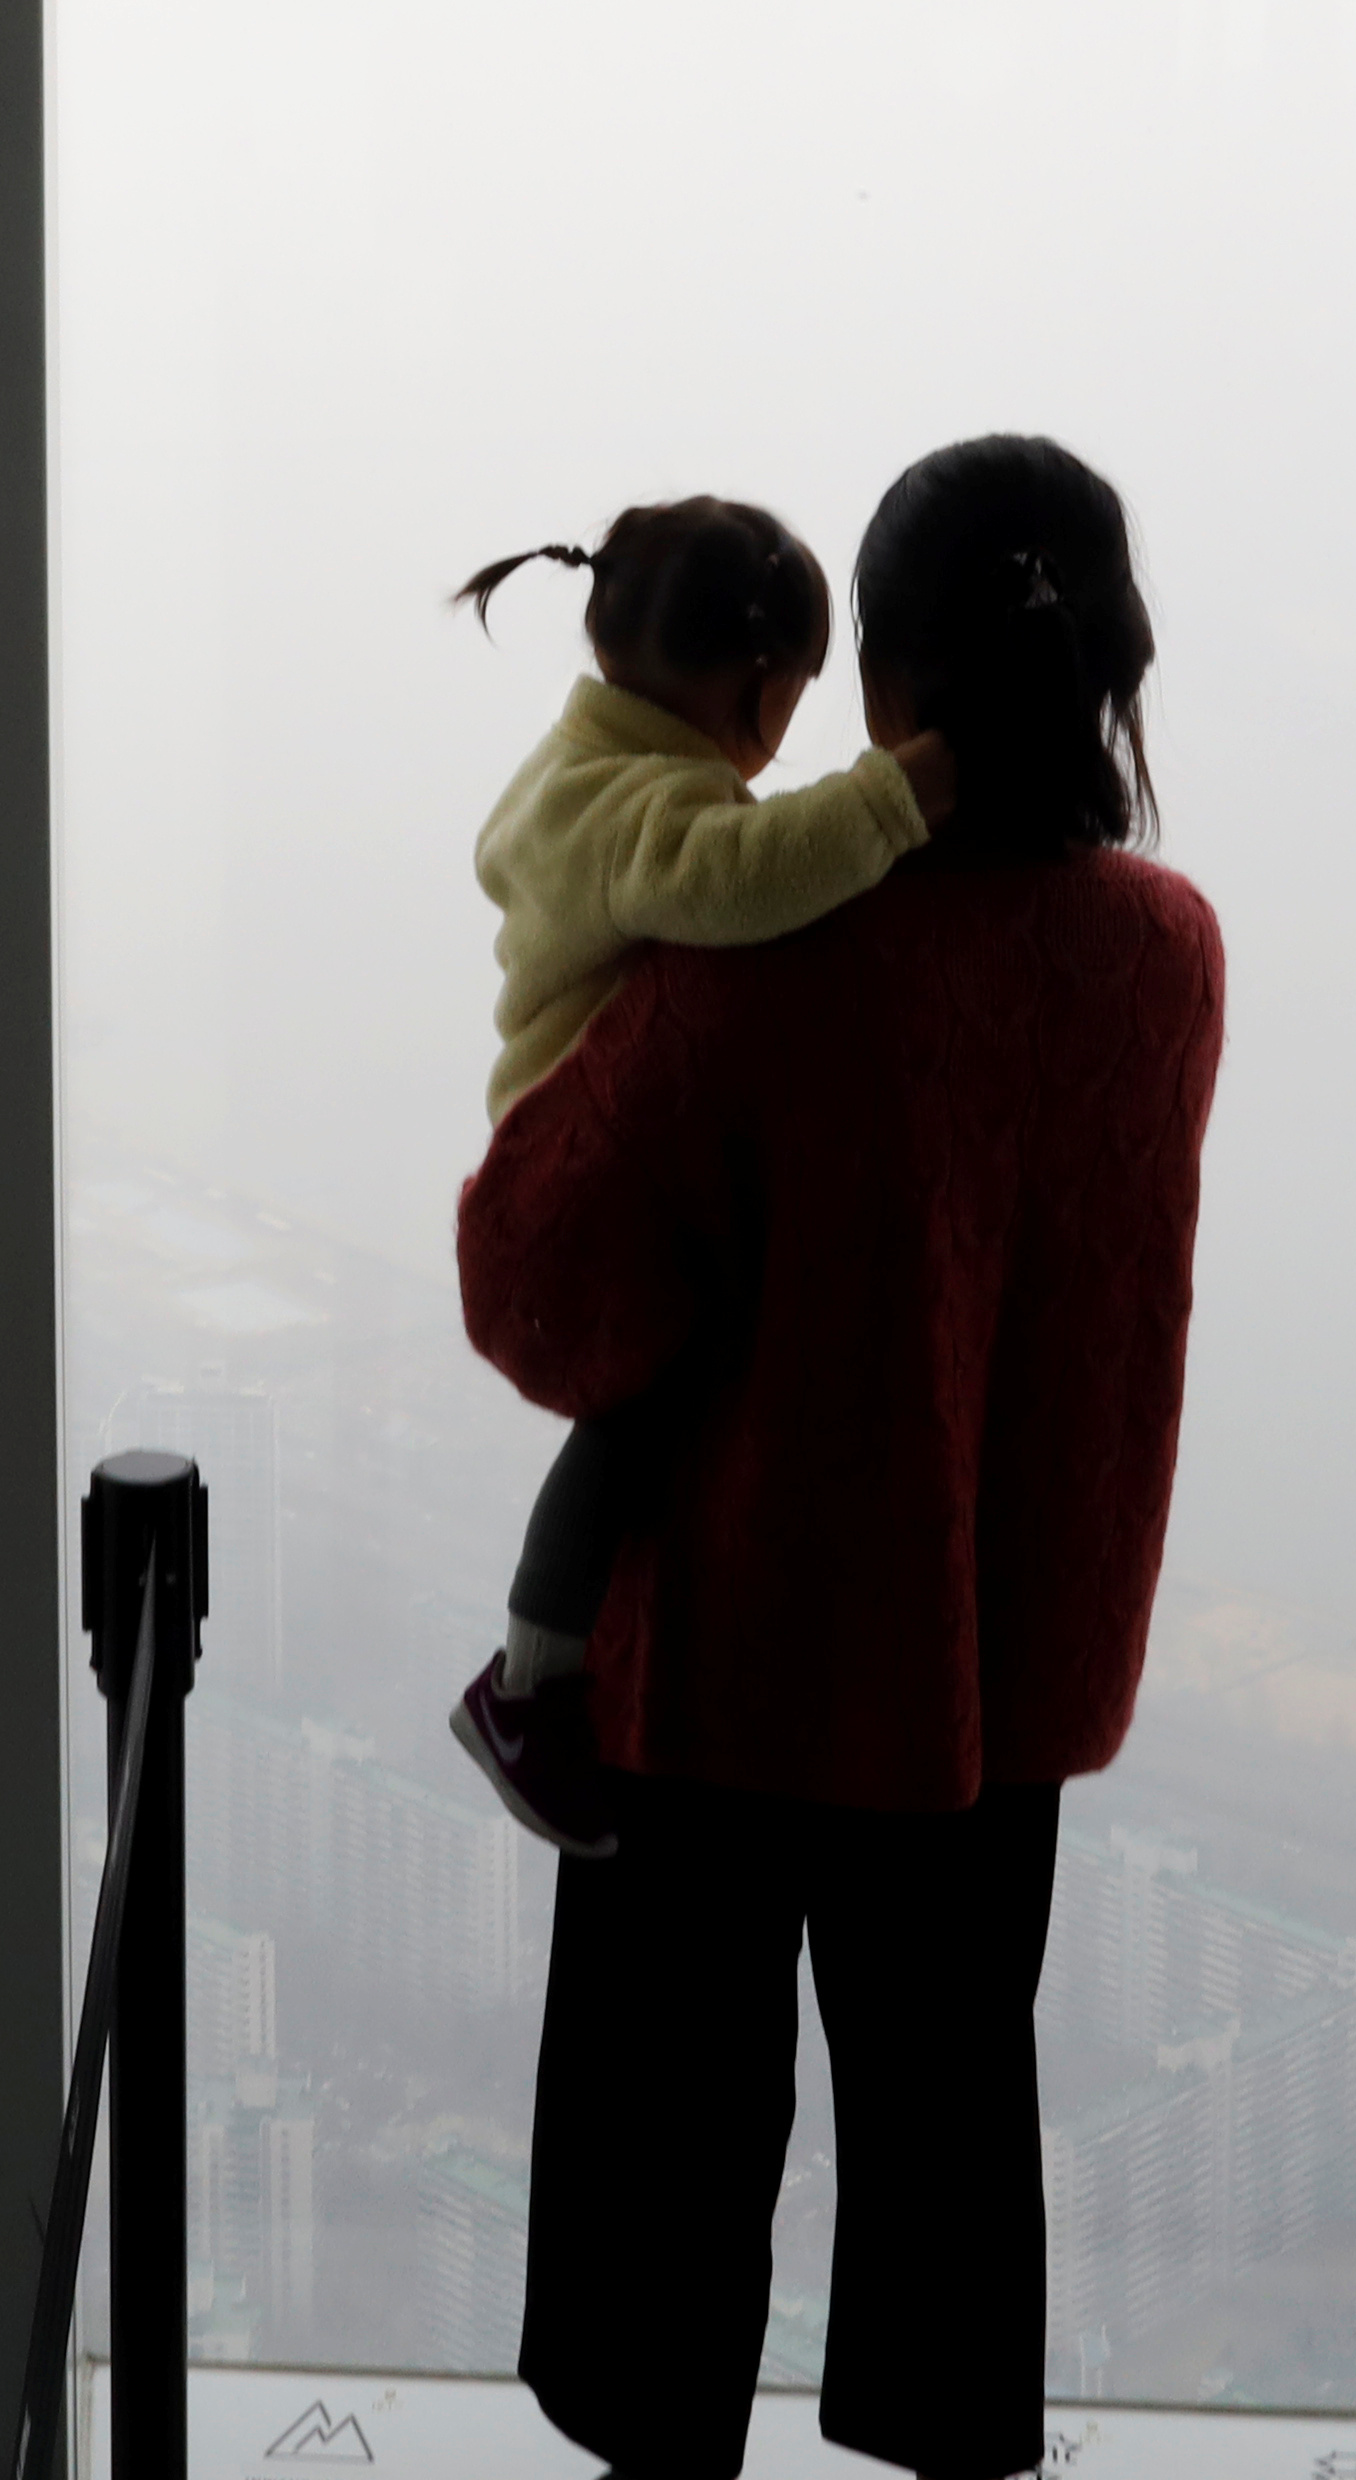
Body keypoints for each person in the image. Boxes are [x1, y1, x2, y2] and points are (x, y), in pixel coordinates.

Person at [454, 434, 1221, 2480]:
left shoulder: (760, 961)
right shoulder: (1169, 957)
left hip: (724, 1659)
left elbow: (541, 1295)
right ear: (1113, 665)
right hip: (998, 1674)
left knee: (666, 2181)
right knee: (953, 2130)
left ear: (879, 689)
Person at [440, 494, 958, 1850]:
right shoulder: (635, 815)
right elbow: (738, 875)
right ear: (756, 684)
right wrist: (897, 797)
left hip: (575, 1161)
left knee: (657, 1416)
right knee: (644, 1416)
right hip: (571, 1183)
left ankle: (550, 1669)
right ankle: (530, 1679)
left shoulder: (589, 771)